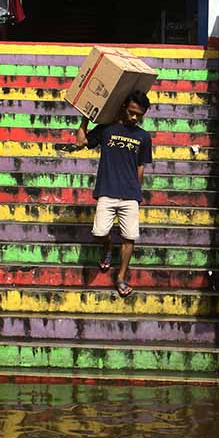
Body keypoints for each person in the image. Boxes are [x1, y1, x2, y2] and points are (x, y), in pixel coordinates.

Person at [72, 91, 153, 298]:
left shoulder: (144, 137)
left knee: (129, 237)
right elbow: (81, 142)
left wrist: (137, 191)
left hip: (130, 194)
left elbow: (141, 166)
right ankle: (108, 248)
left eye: (139, 115)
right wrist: (85, 119)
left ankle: (121, 277)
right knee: (99, 232)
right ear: (124, 106)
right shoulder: (107, 128)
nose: (134, 117)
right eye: (132, 112)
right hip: (107, 191)